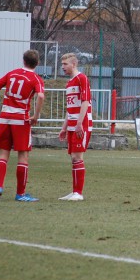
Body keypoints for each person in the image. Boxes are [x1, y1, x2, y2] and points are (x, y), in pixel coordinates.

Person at [0, 50, 45, 202]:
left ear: (23, 60)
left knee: (3, 154)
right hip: (20, 119)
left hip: (5, 117)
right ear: (38, 63)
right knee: (23, 155)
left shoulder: (12, 73)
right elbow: (40, 96)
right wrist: (35, 116)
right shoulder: (36, 78)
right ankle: (20, 194)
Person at [58, 53, 93, 201]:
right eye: (62, 64)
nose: (63, 67)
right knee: (73, 158)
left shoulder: (81, 78)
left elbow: (85, 102)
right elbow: (70, 107)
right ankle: (74, 192)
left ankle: (79, 193)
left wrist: (79, 123)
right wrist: (64, 127)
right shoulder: (69, 83)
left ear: (74, 64)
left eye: (65, 64)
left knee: (77, 157)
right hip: (72, 124)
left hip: (81, 124)